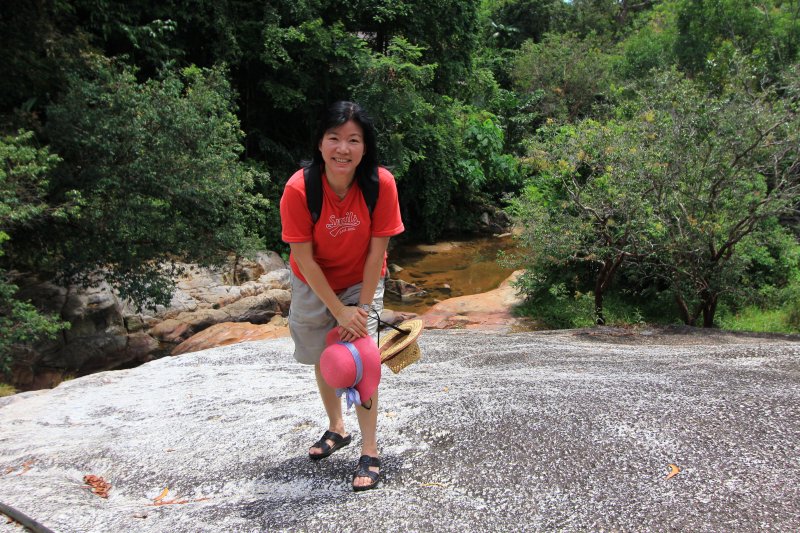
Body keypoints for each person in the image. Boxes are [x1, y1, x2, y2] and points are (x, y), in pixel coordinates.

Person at [279, 101, 404, 491]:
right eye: (334, 138)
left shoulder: (380, 184)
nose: (343, 149)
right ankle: (337, 427)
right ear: (320, 143)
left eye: (353, 139)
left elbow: (376, 252)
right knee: (324, 354)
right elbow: (303, 257)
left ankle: (370, 450)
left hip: (359, 279)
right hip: (313, 280)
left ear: (365, 147)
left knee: (361, 358)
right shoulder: (299, 189)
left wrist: (361, 310)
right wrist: (337, 310)